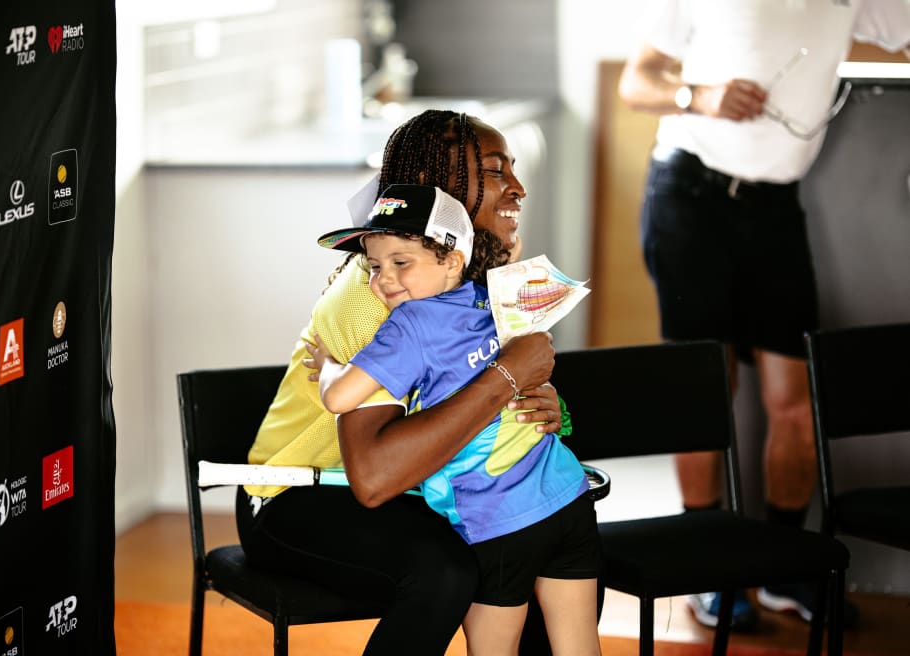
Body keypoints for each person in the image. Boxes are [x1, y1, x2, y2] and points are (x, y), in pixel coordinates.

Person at [618, 0, 910, 631]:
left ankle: (783, 567)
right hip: (689, 197)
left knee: (795, 400)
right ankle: (701, 564)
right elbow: (635, 80)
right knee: (706, 388)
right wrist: (700, 95)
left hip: (775, 210)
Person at [238, 110, 563, 655]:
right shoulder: (382, 292)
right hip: (298, 496)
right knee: (444, 572)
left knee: (537, 549)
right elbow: (372, 477)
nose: (518, 187)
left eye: (512, 167)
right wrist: (506, 379)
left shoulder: (480, 278)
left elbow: (491, 403)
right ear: (447, 191)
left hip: (419, 488)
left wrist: (538, 399)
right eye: (494, 170)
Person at [311, 183, 602, 656]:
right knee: (579, 646)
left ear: (451, 258)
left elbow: (341, 399)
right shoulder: (492, 297)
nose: (384, 281)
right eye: (374, 266)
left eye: (401, 263)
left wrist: (328, 364)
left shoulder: (408, 323)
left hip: (499, 518)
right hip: (567, 496)